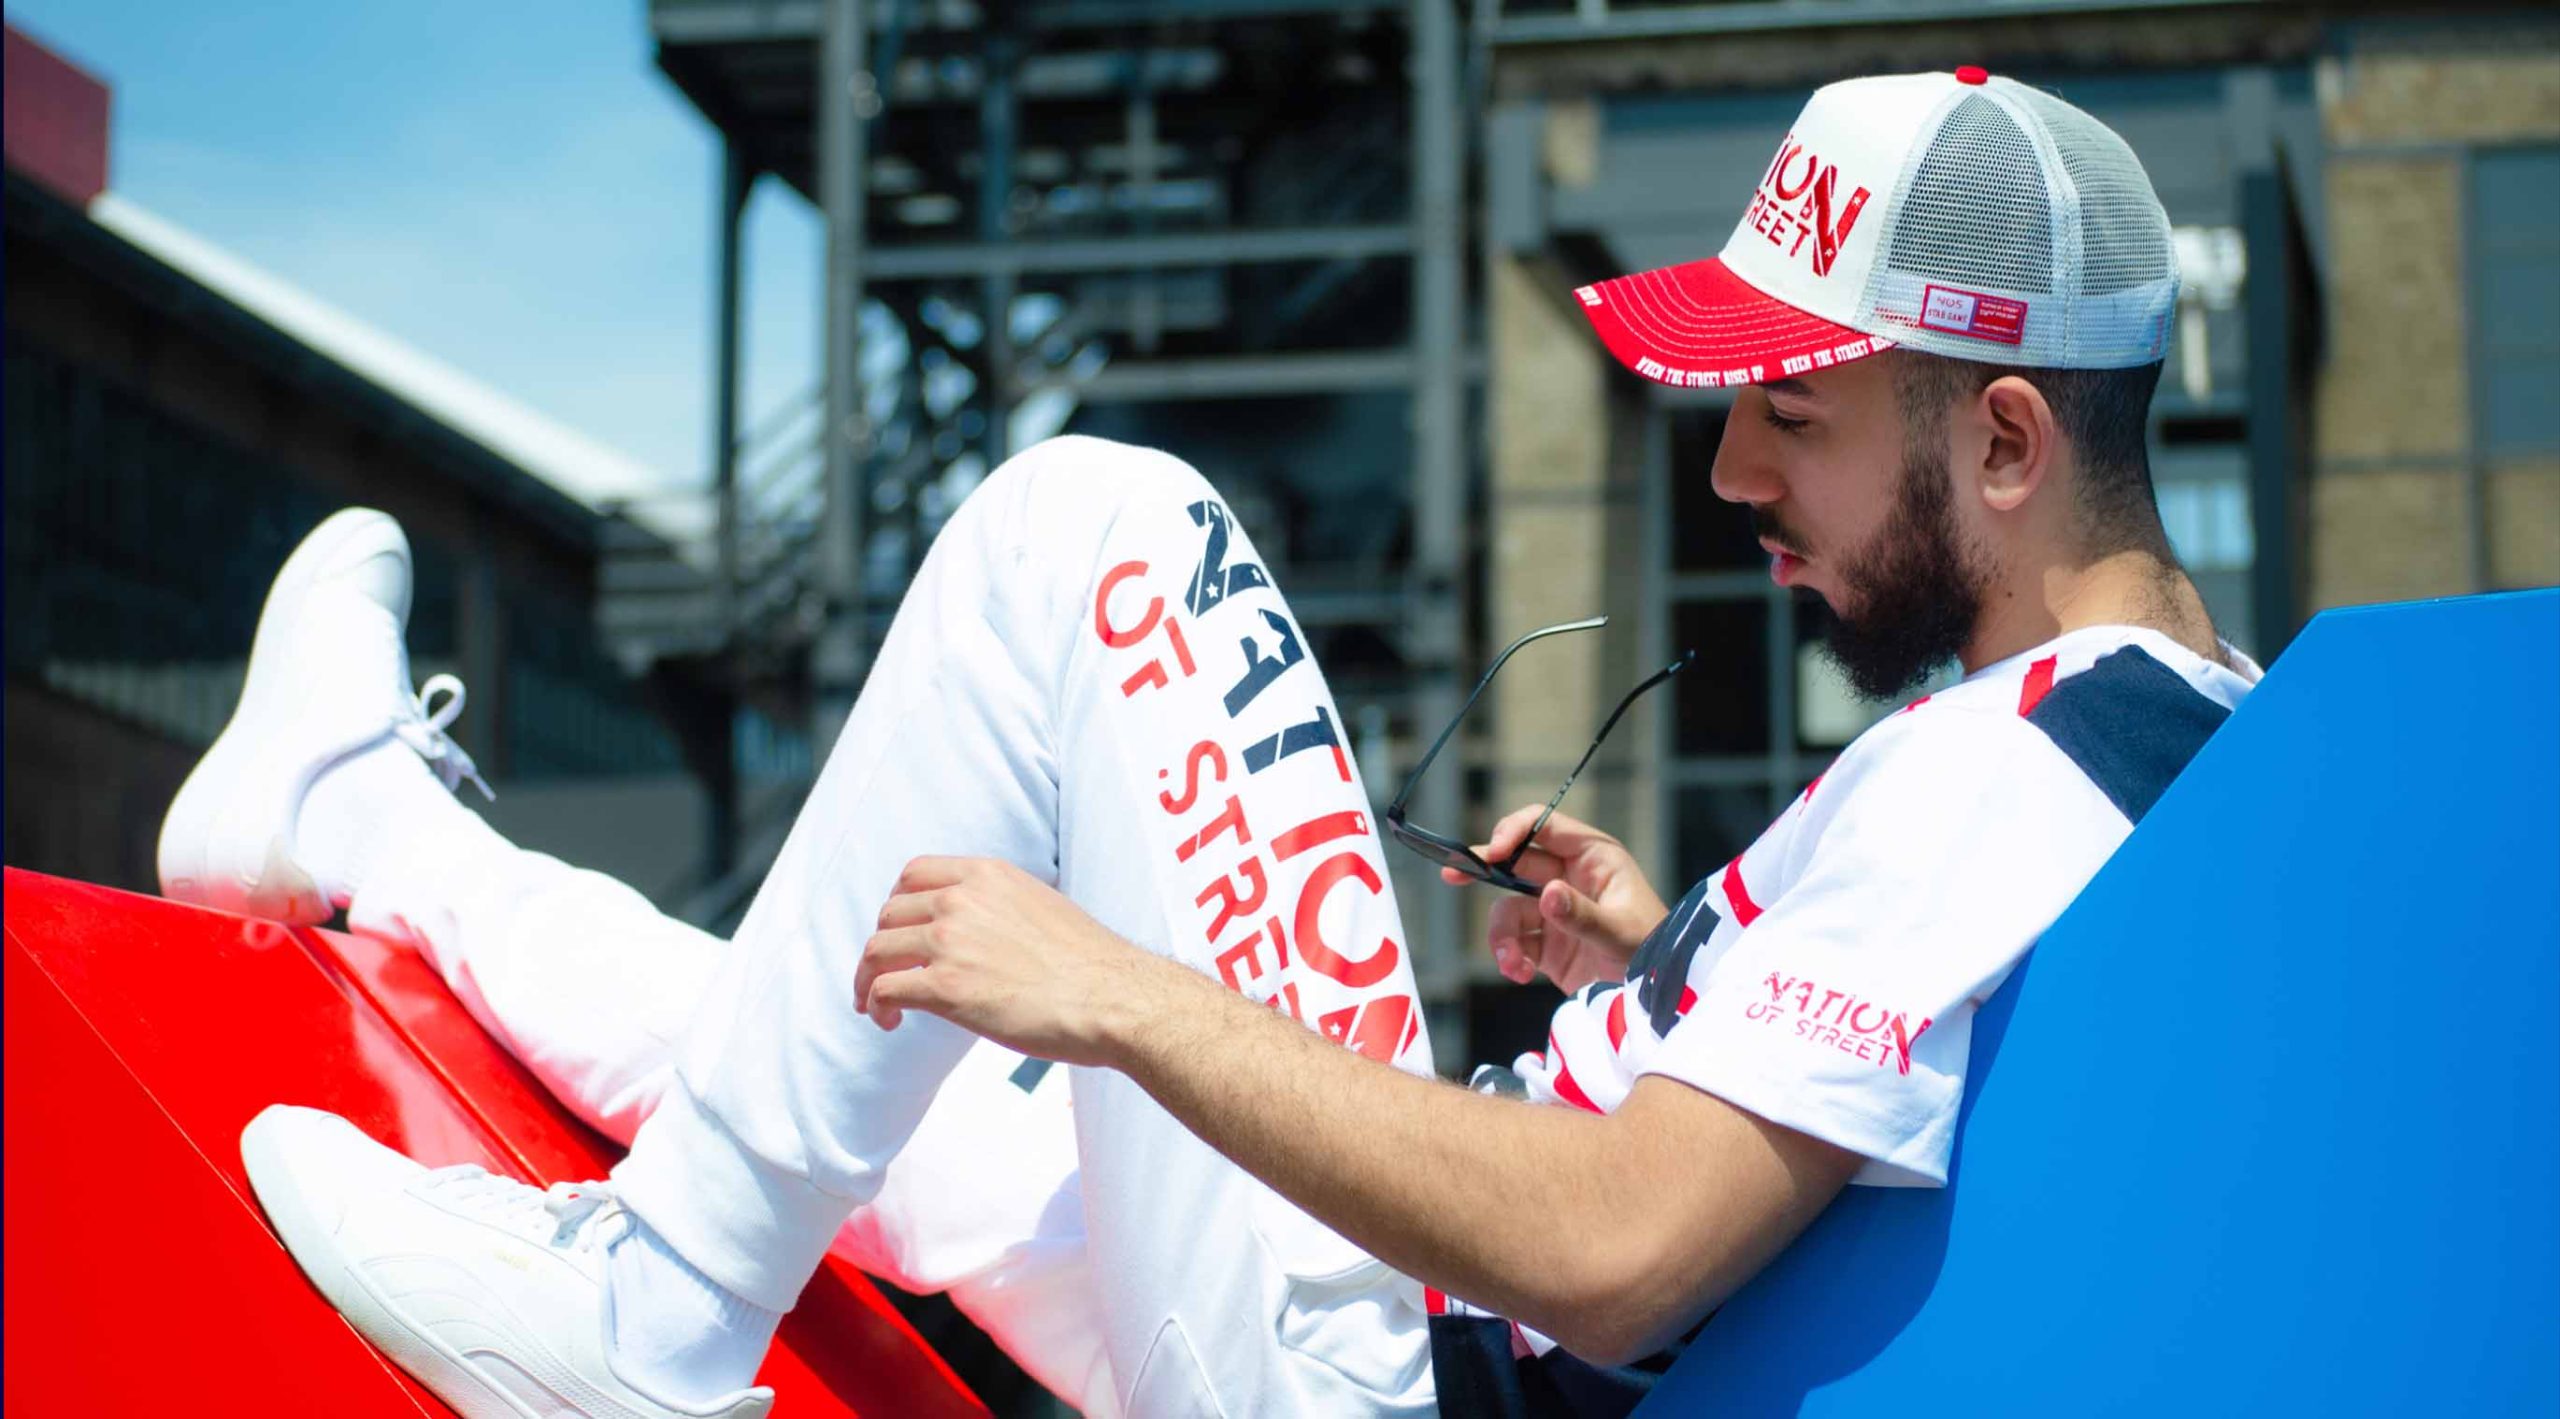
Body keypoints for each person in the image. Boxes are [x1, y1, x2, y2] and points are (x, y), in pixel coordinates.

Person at [177, 68, 2260, 1419]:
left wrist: (1124, 997)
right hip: (1376, 1328)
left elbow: (1620, 1256)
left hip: (1388, 1365)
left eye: (1790, 412)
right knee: (819, 1056)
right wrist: (1671, 966)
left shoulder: (2009, 766)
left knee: (1090, 531)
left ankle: (646, 1324)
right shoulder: (2166, 733)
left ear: (2005, 439)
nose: (1728, 472)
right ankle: (353, 810)